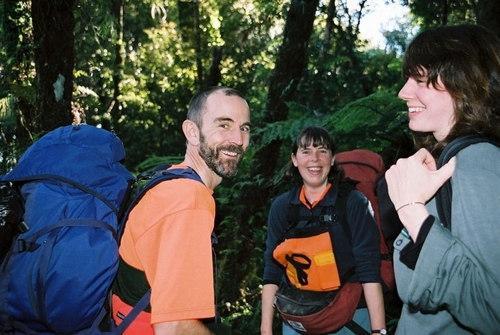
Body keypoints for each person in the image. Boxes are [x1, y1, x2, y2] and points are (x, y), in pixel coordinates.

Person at [385, 24, 500, 334]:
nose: (403, 92)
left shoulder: (477, 161)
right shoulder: (448, 159)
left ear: (463, 83)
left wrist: (411, 211)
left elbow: (493, 308)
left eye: (420, 80)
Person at [111, 86, 251, 334]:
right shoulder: (189, 200)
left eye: (244, 128)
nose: (238, 140)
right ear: (193, 133)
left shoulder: (168, 180)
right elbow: (174, 327)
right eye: (224, 125)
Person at [261, 126, 386, 335]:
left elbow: (369, 267)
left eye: (322, 151)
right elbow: (272, 269)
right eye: (306, 151)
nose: (315, 159)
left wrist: (378, 330)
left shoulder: (353, 202)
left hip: (350, 315)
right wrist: (266, 329)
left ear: (333, 158)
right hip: (298, 317)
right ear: (294, 159)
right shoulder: (283, 207)